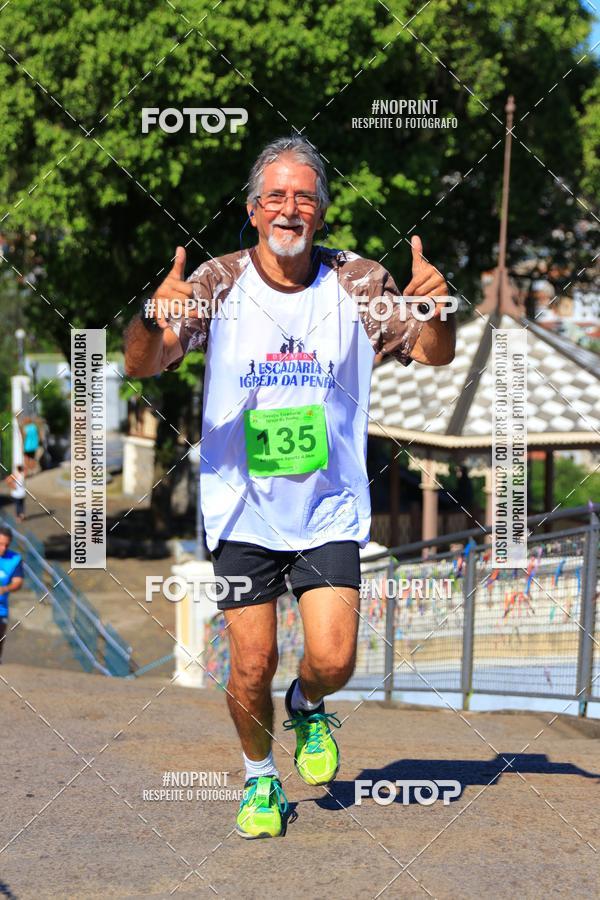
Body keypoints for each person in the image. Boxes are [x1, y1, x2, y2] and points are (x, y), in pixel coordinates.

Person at [124, 136, 455, 839]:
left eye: (304, 196)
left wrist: (437, 311)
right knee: (251, 664)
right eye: (275, 196)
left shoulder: (358, 281)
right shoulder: (216, 282)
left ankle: (308, 705)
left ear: (322, 214)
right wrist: (153, 318)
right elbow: (143, 365)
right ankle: (259, 781)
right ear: (252, 210)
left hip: (329, 507)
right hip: (242, 510)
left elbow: (430, 354)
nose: (289, 208)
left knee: (334, 659)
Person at [0, 526, 24, 663]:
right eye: (0, 544)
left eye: (6, 545)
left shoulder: (15, 559)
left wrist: (4, 589)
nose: (3, 548)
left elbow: (18, 582)